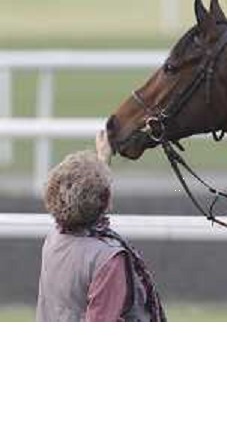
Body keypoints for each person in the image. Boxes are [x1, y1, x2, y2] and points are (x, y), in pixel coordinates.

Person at [36, 130, 166, 322]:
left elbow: (83, 198)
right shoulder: (108, 259)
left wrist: (102, 158)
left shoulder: (54, 238)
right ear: (105, 199)